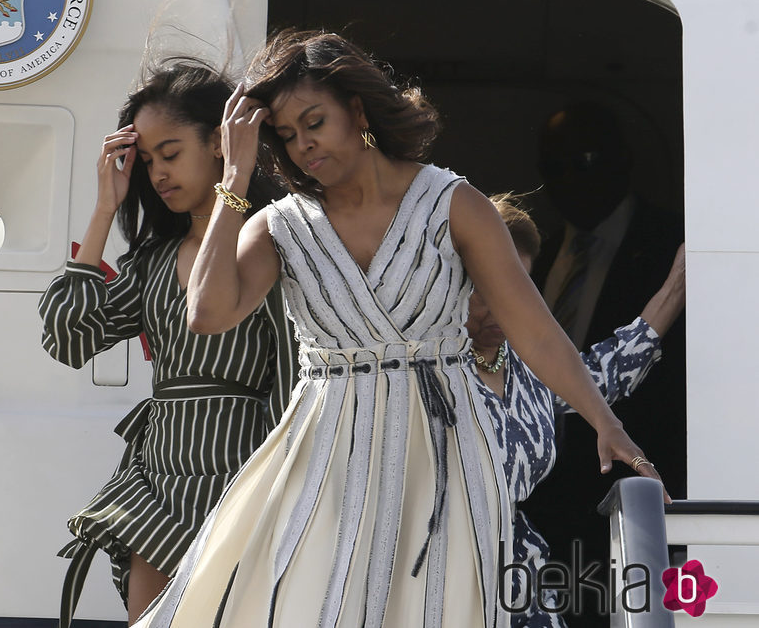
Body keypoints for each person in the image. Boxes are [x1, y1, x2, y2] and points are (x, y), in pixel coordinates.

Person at [132, 31, 667, 628]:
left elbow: (535, 330)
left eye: (315, 122)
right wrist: (234, 178)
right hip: (327, 447)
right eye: (287, 134)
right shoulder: (281, 225)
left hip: (445, 449)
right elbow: (206, 313)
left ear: (357, 111)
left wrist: (606, 422)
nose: (304, 145)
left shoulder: (452, 202)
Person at [38, 62, 298, 626]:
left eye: (171, 152)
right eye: (148, 159)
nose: (157, 173)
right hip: (159, 477)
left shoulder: (275, 246)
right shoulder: (153, 262)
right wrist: (105, 207)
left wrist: (289, 489)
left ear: (219, 144)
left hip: (247, 474)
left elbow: (295, 377)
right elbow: (65, 337)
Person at [468, 194, 685, 626]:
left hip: (521, 584)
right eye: (487, 289)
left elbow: (610, 369)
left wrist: (680, 281)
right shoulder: (420, 369)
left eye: (520, 289)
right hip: (443, 579)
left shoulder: (531, 365)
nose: (504, 306)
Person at [526, 101, 686, 626]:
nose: (571, 178)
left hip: (635, 493)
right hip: (541, 504)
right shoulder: (534, 259)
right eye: (555, 167)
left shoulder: (675, 245)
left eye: (587, 159)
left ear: (625, 159)